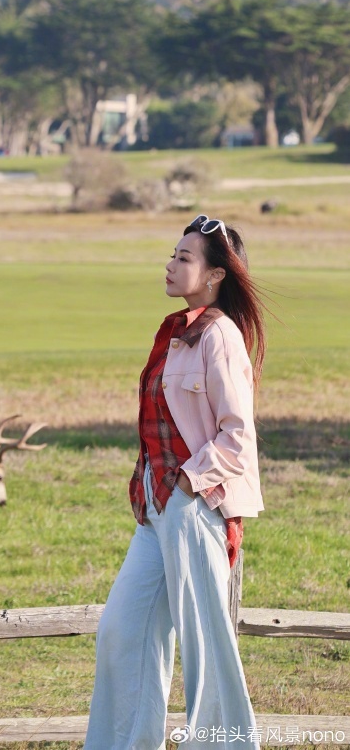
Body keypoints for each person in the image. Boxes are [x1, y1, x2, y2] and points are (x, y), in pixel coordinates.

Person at [84, 215, 266, 750]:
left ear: (214, 276)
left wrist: (187, 484)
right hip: (156, 510)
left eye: (184, 258)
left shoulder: (220, 337)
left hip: (196, 506)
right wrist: (146, 483)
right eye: (174, 253)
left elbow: (238, 436)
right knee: (123, 633)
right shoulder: (174, 332)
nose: (170, 263)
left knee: (205, 645)